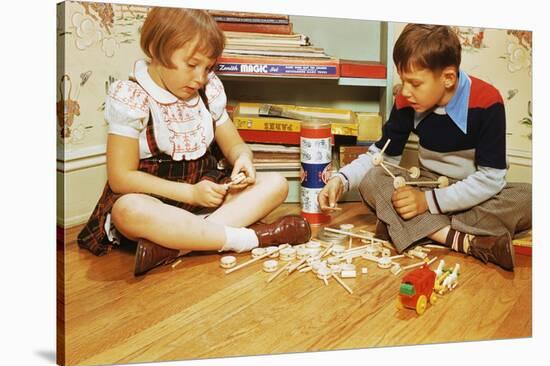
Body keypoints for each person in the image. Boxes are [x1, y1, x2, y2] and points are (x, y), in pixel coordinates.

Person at [77, 7, 311, 276]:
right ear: (156, 48)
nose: (200, 77)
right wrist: (189, 193)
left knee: (276, 184)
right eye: (191, 64)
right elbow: (121, 178)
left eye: (208, 67)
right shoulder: (132, 96)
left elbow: (234, 144)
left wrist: (243, 159)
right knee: (127, 210)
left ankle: (175, 245)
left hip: (206, 202)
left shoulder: (208, 90)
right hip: (157, 203)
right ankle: (251, 239)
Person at [318, 24, 531, 271]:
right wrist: (341, 180)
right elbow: (381, 158)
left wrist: (428, 203)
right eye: (403, 81)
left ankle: (406, 225)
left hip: (473, 192)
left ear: (448, 78)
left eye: (415, 83)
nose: (405, 91)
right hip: (426, 183)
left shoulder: (487, 101)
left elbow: (490, 180)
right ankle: (463, 240)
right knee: (372, 180)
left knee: (530, 198)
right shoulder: (407, 100)